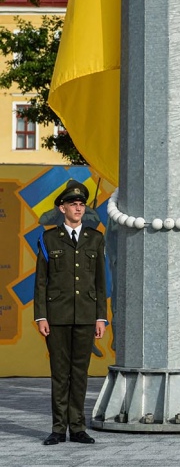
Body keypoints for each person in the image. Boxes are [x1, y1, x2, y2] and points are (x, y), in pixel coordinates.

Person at [33, 180, 108, 446]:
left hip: (86, 316)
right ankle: (57, 428)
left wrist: (101, 317)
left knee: (80, 373)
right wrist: (41, 316)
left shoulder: (95, 238)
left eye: (81, 204)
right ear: (62, 208)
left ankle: (77, 427)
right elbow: (41, 280)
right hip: (57, 316)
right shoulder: (48, 238)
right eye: (73, 204)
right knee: (59, 373)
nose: (78, 208)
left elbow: (101, 281)